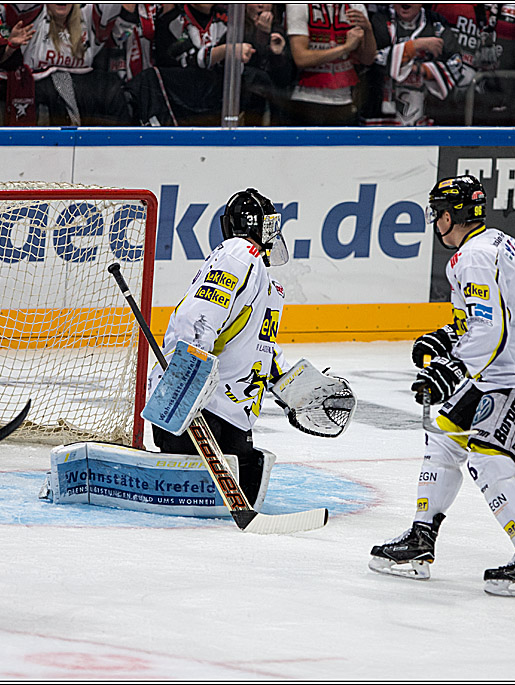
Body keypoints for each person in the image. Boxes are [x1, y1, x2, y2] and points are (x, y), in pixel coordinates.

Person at [368, 175, 515, 599]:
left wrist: (450, 369)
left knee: (490, 457)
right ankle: (420, 540)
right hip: (500, 368)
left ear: (451, 214)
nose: (435, 221)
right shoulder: (493, 242)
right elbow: (480, 321)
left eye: (438, 212)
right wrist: (443, 338)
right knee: (442, 438)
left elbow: (489, 331)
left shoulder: (473, 257)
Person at [148, 188, 291, 507]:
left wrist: (290, 387)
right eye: (268, 225)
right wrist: (187, 384)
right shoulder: (239, 254)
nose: (273, 233)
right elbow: (196, 317)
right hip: (198, 405)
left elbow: (261, 345)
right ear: (254, 225)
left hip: (232, 412)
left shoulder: (265, 278)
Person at [277, 3, 378, 126]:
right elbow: (301, 58)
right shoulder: (299, 5)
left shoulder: (356, 6)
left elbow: (367, 59)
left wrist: (368, 29)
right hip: (306, 100)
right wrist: (345, 48)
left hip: (345, 100)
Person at [365, 3, 465, 126]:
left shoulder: (437, 23)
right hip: (381, 118)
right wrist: (414, 46)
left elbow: (456, 62)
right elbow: (370, 58)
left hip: (424, 118)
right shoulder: (379, 20)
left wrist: (422, 70)